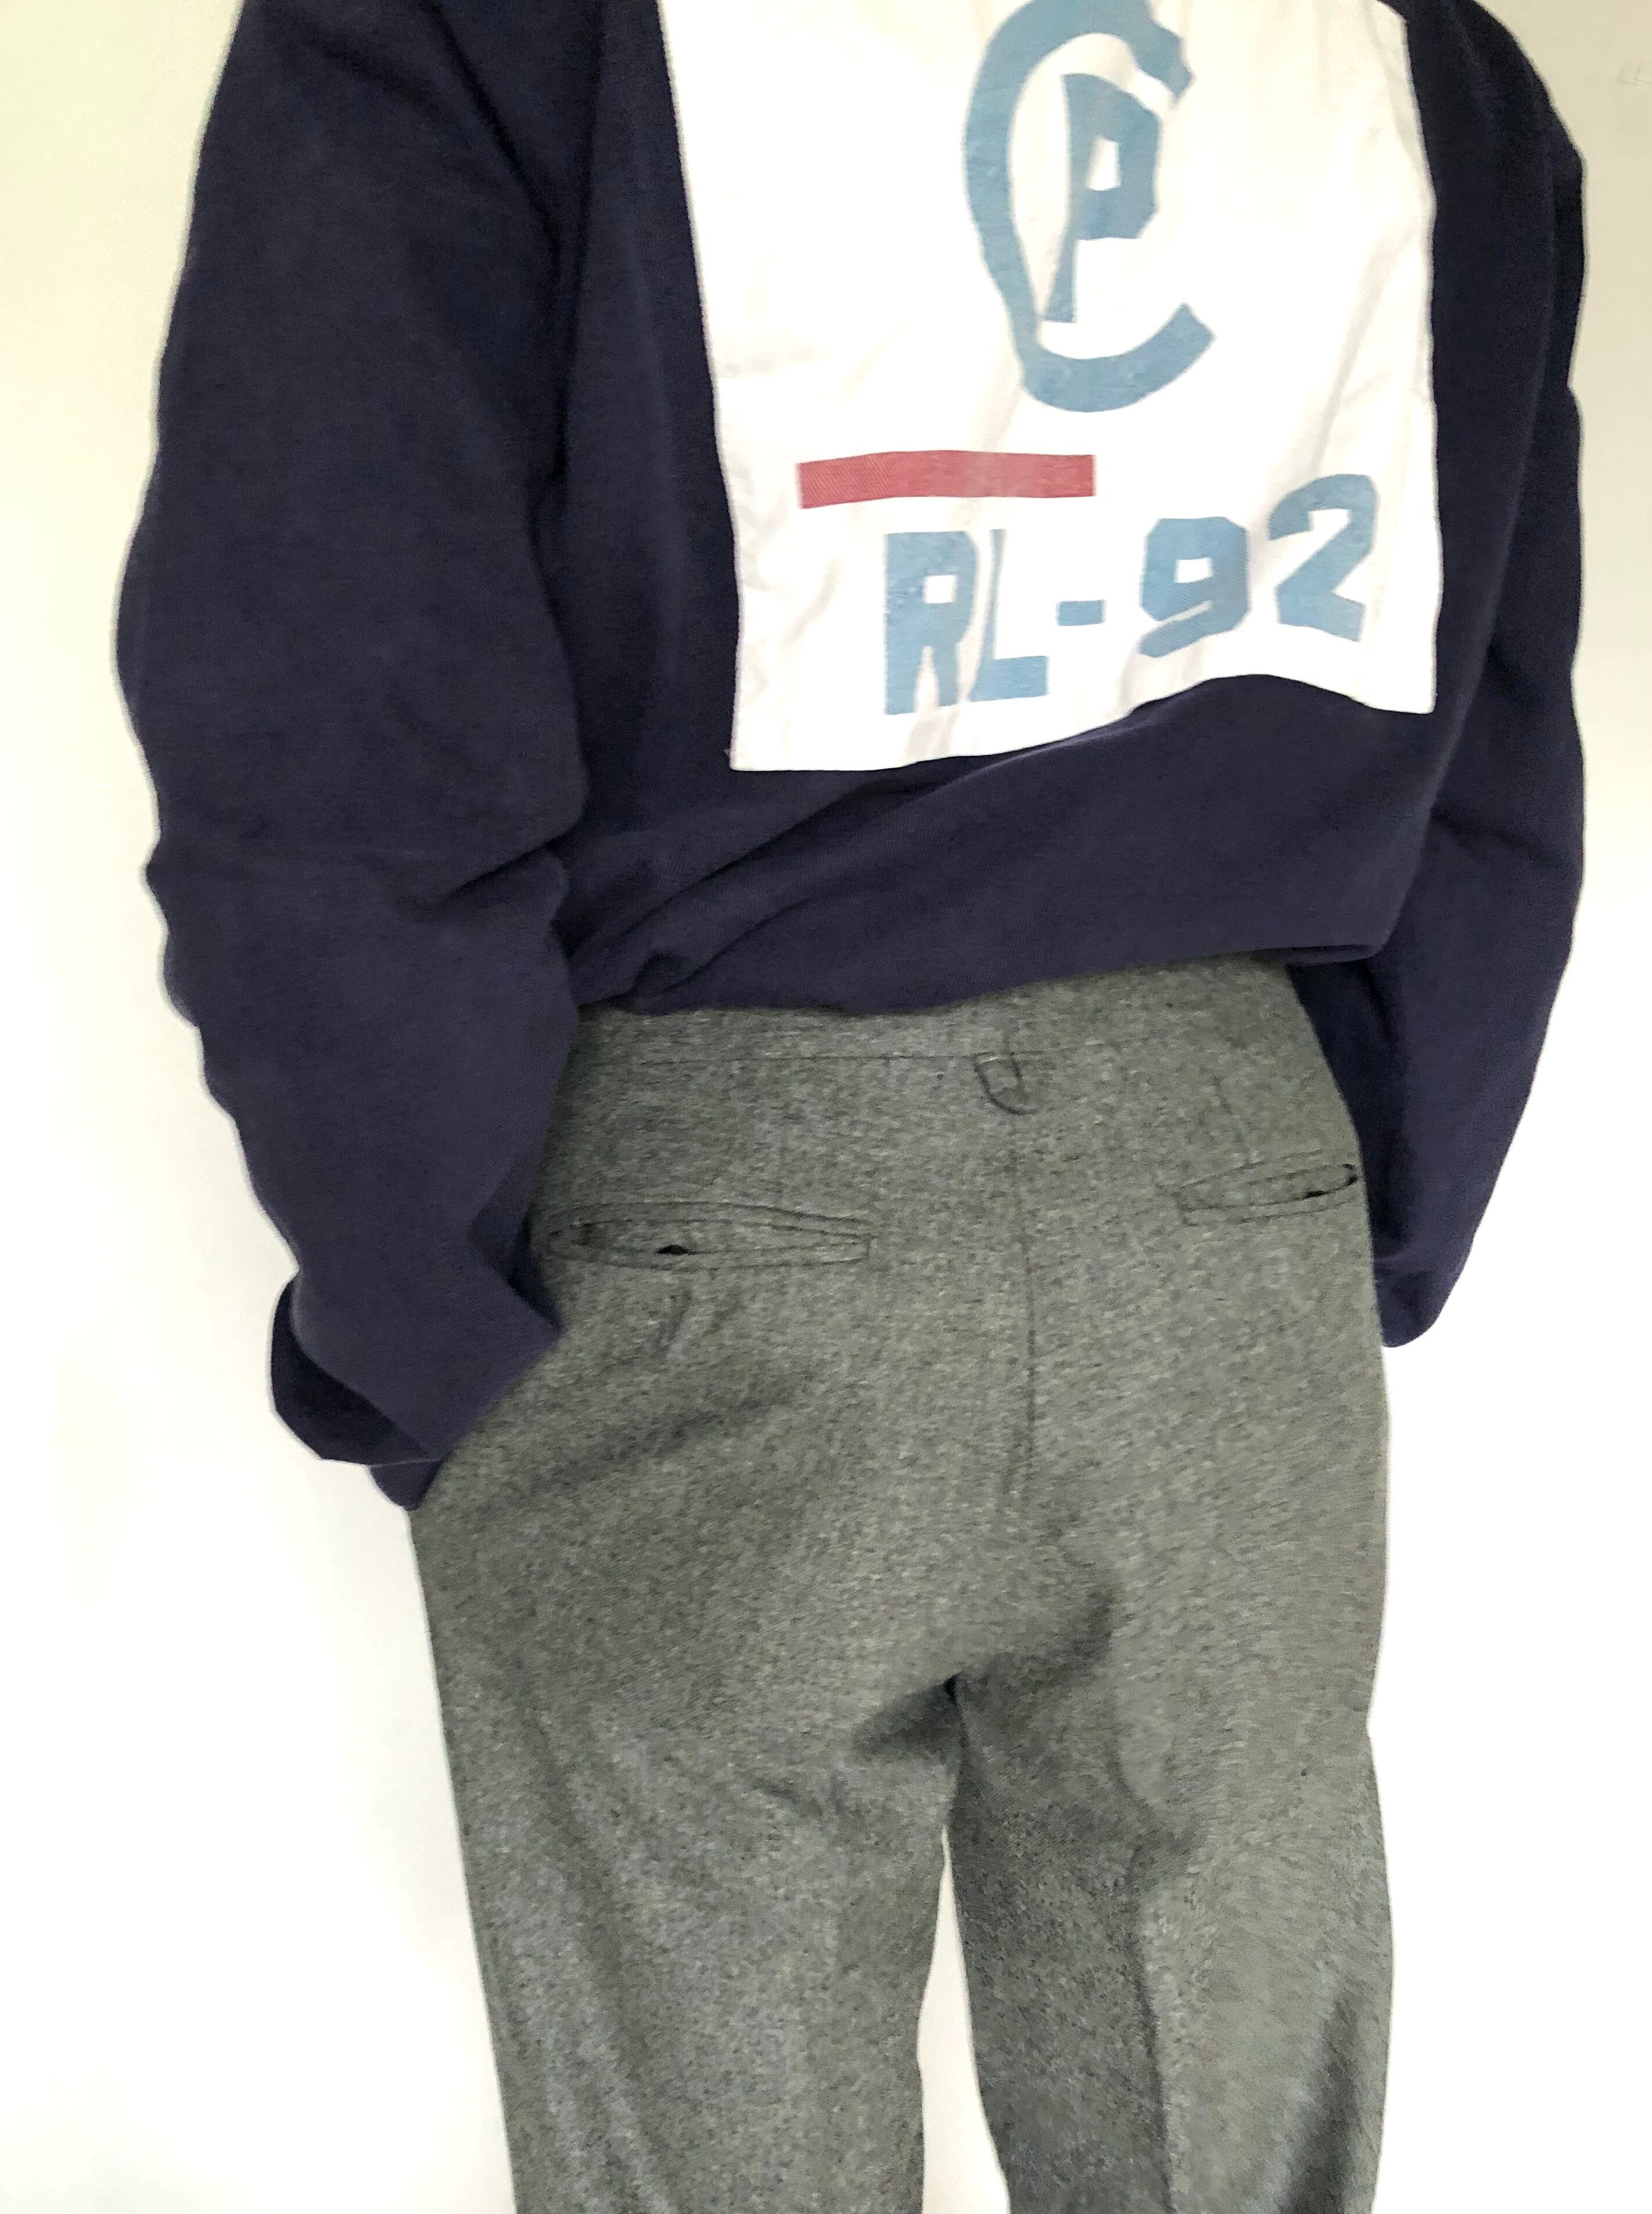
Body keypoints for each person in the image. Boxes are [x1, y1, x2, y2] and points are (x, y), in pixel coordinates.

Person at [115, 1, 1586, 2207]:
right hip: (1229, 1184)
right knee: (1225, 2122)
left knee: (704, 2142)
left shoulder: (468, 28)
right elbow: (1493, 761)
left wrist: (428, 1323)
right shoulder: (1424, 58)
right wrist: (1345, 1218)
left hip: (698, 1192)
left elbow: (340, 729)